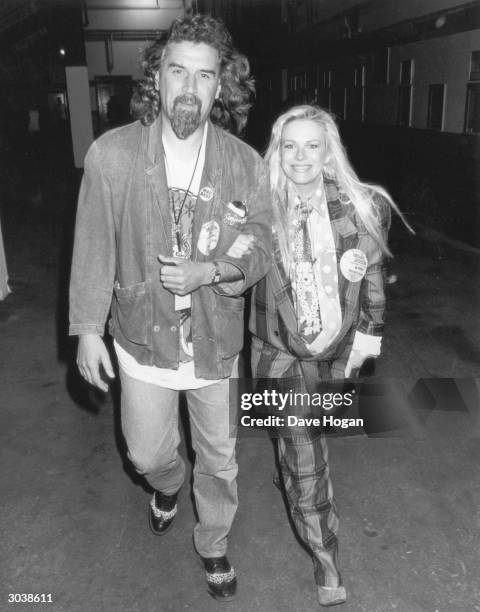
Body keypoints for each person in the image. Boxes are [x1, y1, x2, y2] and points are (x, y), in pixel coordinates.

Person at [69, 14, 271, 601]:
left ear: (221, 86)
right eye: (177, 70)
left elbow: (260, 242)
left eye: (204, 76)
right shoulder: (113, 156)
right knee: (146, 452)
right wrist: (85, 328)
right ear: (157, 77)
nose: (190, 87)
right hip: (141, 337)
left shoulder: (243, 162)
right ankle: (166, 485)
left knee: (221, 458)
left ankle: (213, 544)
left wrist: (214, 271)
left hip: (214, 341)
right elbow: (92, 245)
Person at [249, 104, 412, 607]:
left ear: (328, 152)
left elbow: (375, 287)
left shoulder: (364, 206)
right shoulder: (257, 207)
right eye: (289, 145)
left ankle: (292, 461)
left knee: (307, 437)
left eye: (312, 145)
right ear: (277, 151)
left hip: (337, 353)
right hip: (279, 354)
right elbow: (232, 269)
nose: (300, 156)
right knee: (304, 454)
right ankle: (327, 561)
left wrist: (365, 346)